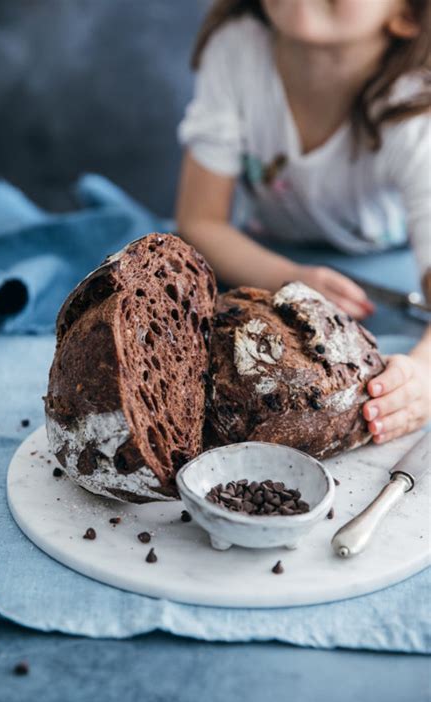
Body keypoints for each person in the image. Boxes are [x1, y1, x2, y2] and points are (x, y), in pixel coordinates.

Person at [176, 0, 430, 445]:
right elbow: (199, 221)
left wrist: (423, 374)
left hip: (384, 262)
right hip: (265, 251)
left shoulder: (414, 106)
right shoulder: (236, 49)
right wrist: (288, 277)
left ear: (407, 15)